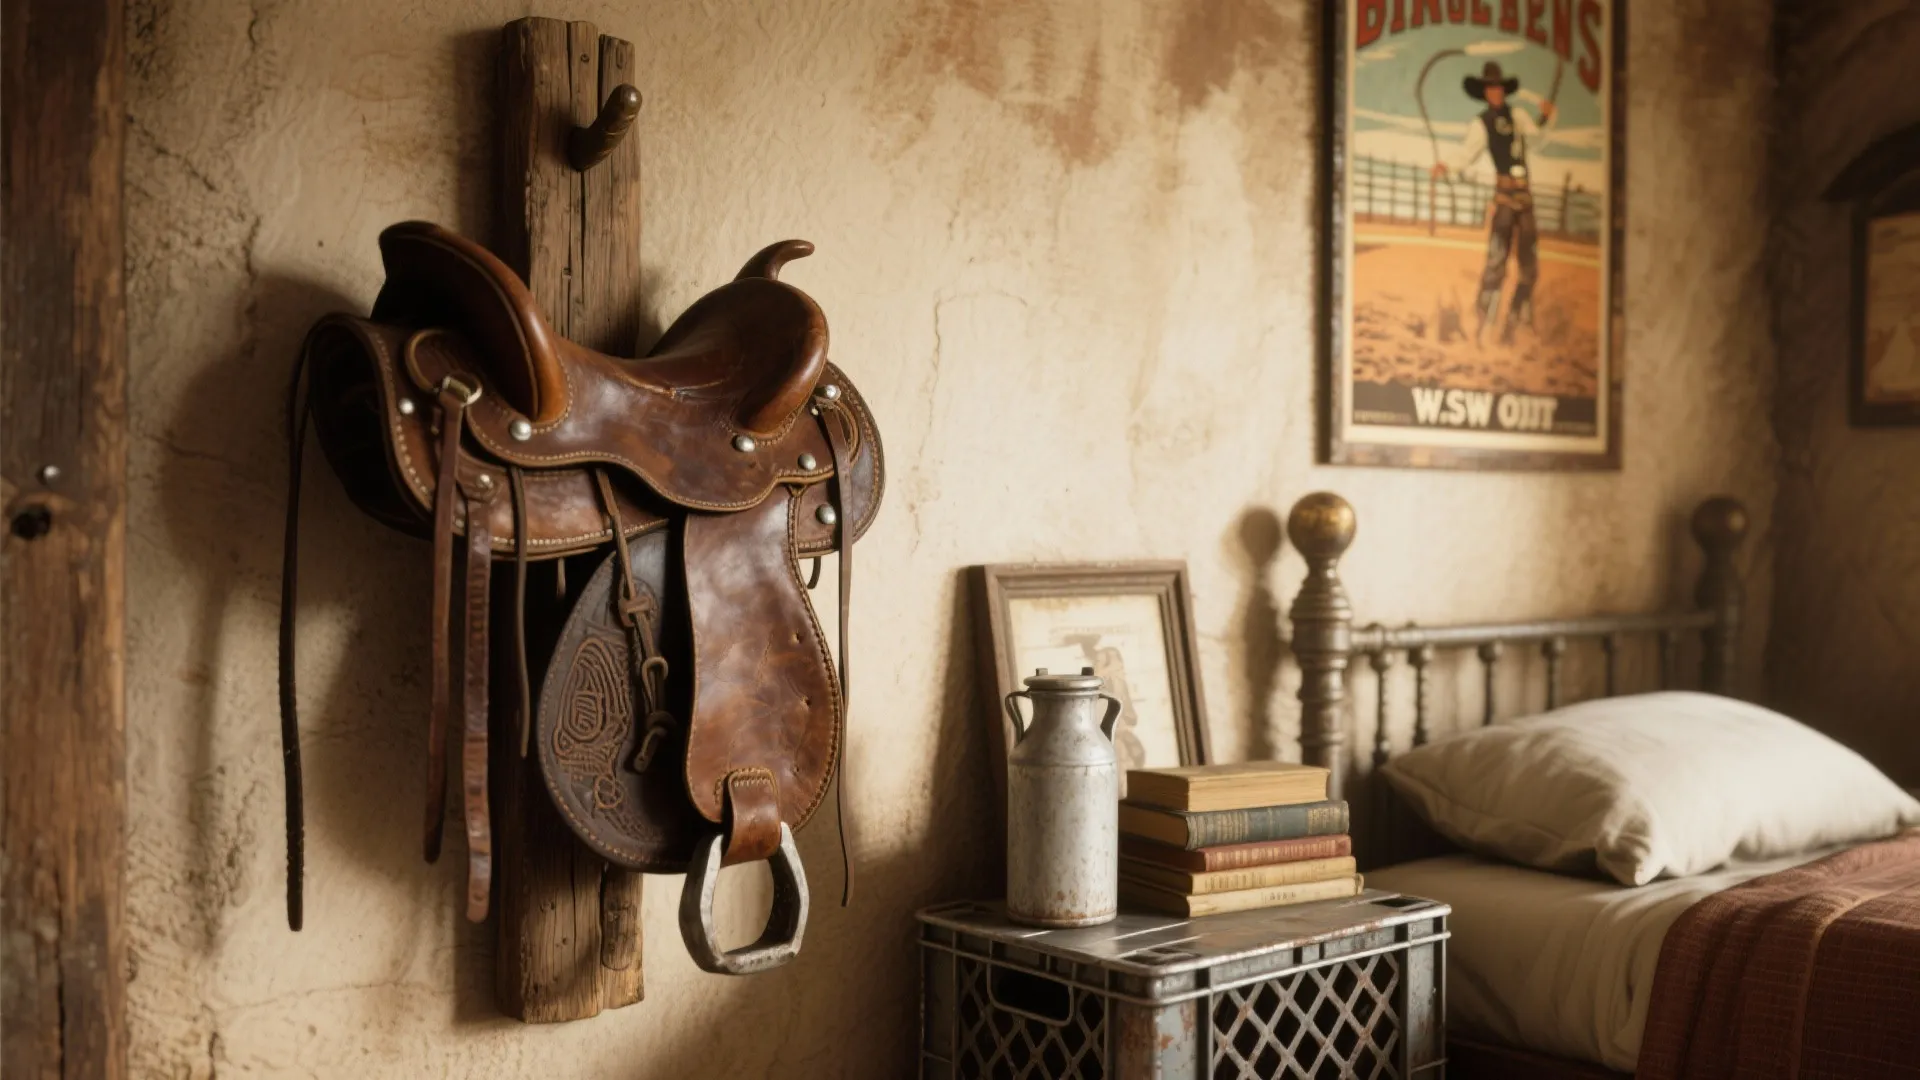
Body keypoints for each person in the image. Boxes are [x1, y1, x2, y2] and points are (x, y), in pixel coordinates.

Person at [1430, 61, 1557, 345]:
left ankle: (1517, 320)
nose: (1495, 93)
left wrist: (1546, 118)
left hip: (1525, 200)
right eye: (1490, 88)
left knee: (1529, 266)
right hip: (1503, 198)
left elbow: (1536, 141)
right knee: (1496, 262)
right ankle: (1483, 320)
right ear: (1485, 92)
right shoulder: (1481, 124)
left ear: (1503, 89)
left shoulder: (1519, 116)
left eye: (1498, 87)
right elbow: (1466, 154)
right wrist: (1446, 165)